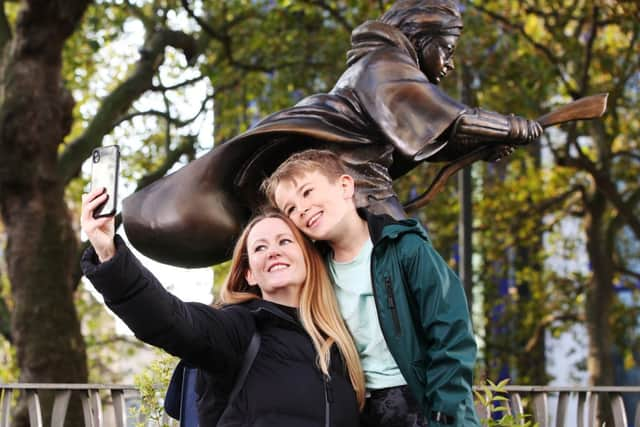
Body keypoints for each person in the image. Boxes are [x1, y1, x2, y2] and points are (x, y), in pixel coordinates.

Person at [119, 0, 542, 268]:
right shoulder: (384, 66)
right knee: (406, 260)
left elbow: (421, 136)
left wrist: (481, 146)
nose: (448, 65)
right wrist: (511, 125)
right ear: (419, 37)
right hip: (353, 189)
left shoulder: (386, 71)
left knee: (399, 264)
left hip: (355, 187)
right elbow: (450, 120)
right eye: (446, 49)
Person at [80, 187, 365, 427]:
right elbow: (172, 319)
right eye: (260, 248)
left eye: (285, 241)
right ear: (250, 273)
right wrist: (108, 254)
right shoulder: (238, 330)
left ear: (308, 259)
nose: (273, 251)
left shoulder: (338, 344)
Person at [262, 149, 480, 427]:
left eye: (307, 192)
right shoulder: (314, 274)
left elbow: (452, 333)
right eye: (290, 209)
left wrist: (444, 413)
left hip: (421, 402)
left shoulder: (405, 249)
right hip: (358, 409)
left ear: (344, 186)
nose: (301, 209)